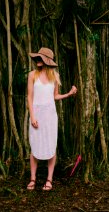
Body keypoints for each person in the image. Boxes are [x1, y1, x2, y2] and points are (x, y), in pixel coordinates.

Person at [27, 47, 77, 191]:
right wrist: (32, 115)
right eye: (37, 58)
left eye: (40, 58)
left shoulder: (54, 76)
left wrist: (68, 94)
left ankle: (49, 179)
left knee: (50, 146)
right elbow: (29, 97)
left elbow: (55, 96)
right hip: (36, 114)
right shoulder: (32, 75)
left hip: (50, 115)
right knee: (34, 145)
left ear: (46, 61)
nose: (37, 60)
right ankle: (33, 178)